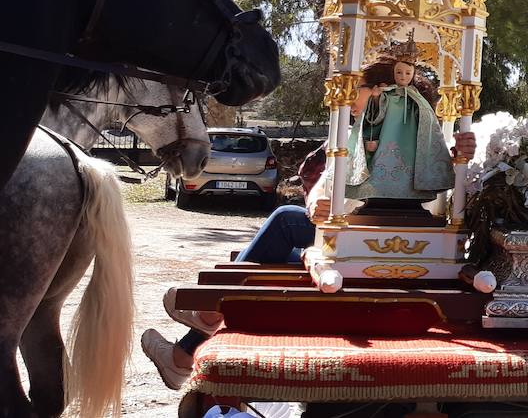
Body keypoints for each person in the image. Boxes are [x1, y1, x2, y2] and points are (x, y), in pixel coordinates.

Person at [139, 73, 478, 389]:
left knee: (286, 220)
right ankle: (187, 350)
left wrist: (462, 159)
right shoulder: (362, 135)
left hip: (372, 248)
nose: (351, 101)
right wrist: (319, 204)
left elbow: (435, 196)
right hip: (350, 248)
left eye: (359, 92)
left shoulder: (423, 138)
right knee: (277, 258)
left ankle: (202, 327)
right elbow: (331, 187)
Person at [345, 52, 454, 210]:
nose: (349, 98)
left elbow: (427, 124)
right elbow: (324, 188)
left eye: (356, 88)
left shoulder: (414, 101)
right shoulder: (349, 137)